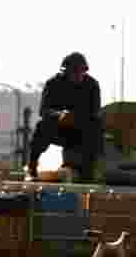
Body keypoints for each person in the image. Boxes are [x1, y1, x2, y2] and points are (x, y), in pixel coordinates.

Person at [28, 52, 104, 182]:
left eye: (81, 71)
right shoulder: (53, 83)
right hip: (59, 128)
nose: (78, 75)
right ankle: (32, 166)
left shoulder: (92, 85)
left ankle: (88, 170)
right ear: (66, 71)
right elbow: (44, 111)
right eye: (74, 72)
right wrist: (60, 115)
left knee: (96, 126)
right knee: (42, 126)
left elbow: (95, 112)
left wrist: (79, 117)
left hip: (82, 130)